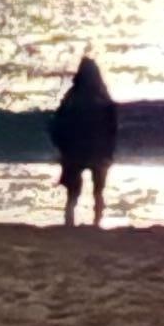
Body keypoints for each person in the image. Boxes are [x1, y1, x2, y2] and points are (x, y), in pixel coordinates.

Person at [49, 52, 118, 227]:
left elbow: (59, 123)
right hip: (98, 151)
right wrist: (109, 150)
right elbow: (112, 127)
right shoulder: (103, 97)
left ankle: (69, 221)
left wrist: (62, 147)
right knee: (98, 191)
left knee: (73, 192)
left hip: (75, 151)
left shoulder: (72, 97)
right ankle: (97, 222)